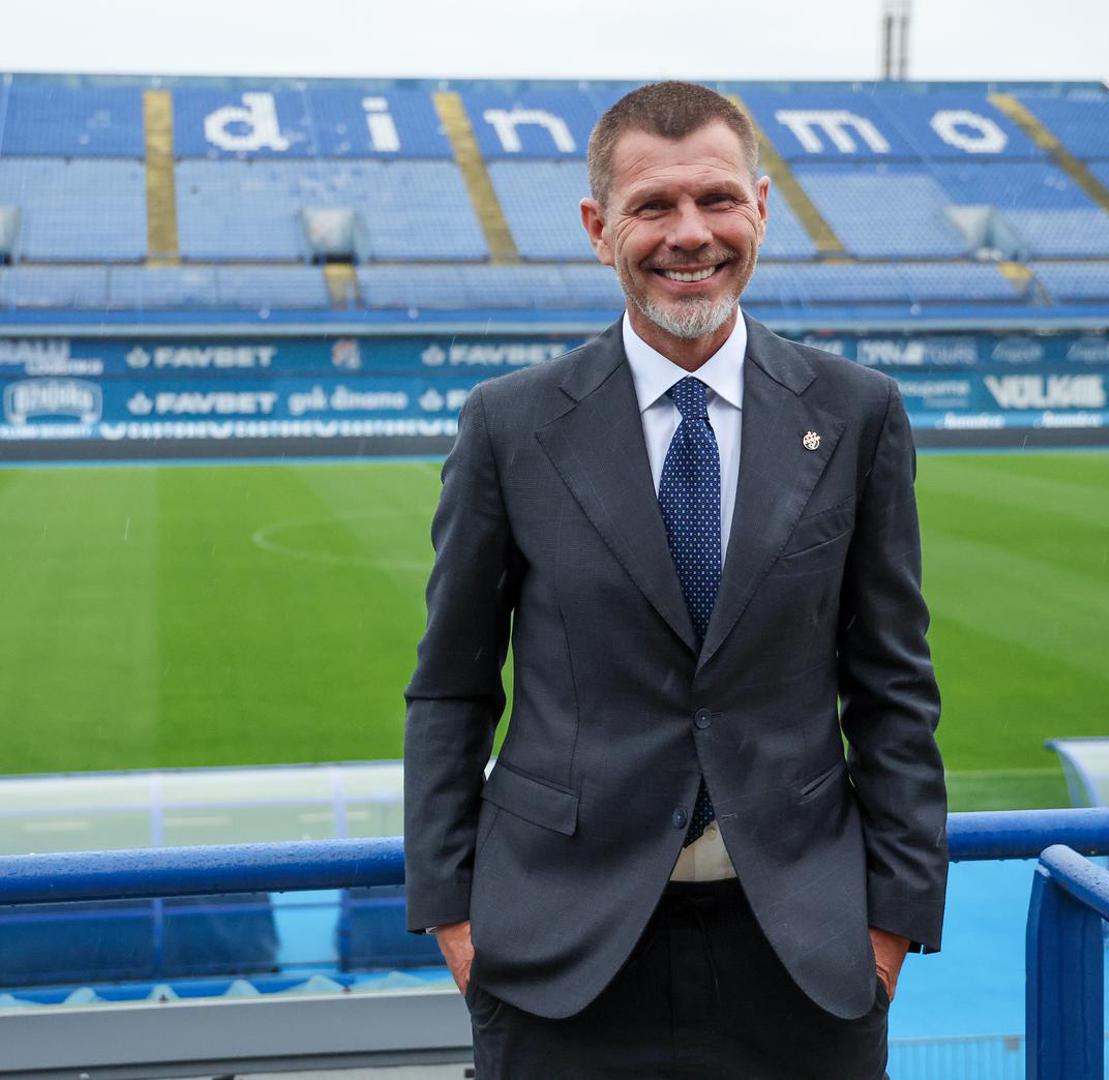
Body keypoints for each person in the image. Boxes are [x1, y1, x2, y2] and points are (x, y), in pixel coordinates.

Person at [402, 81, 947, 1078]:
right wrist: (452, 916)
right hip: (558, 957)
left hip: (805, 955)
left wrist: (891, 930)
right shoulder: (509, 425)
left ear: (760, 209)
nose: (690, 234)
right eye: (653, 205)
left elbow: (894, 686)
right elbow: (451, 687)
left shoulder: (858, 413)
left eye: (717, 199)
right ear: (597, 228)